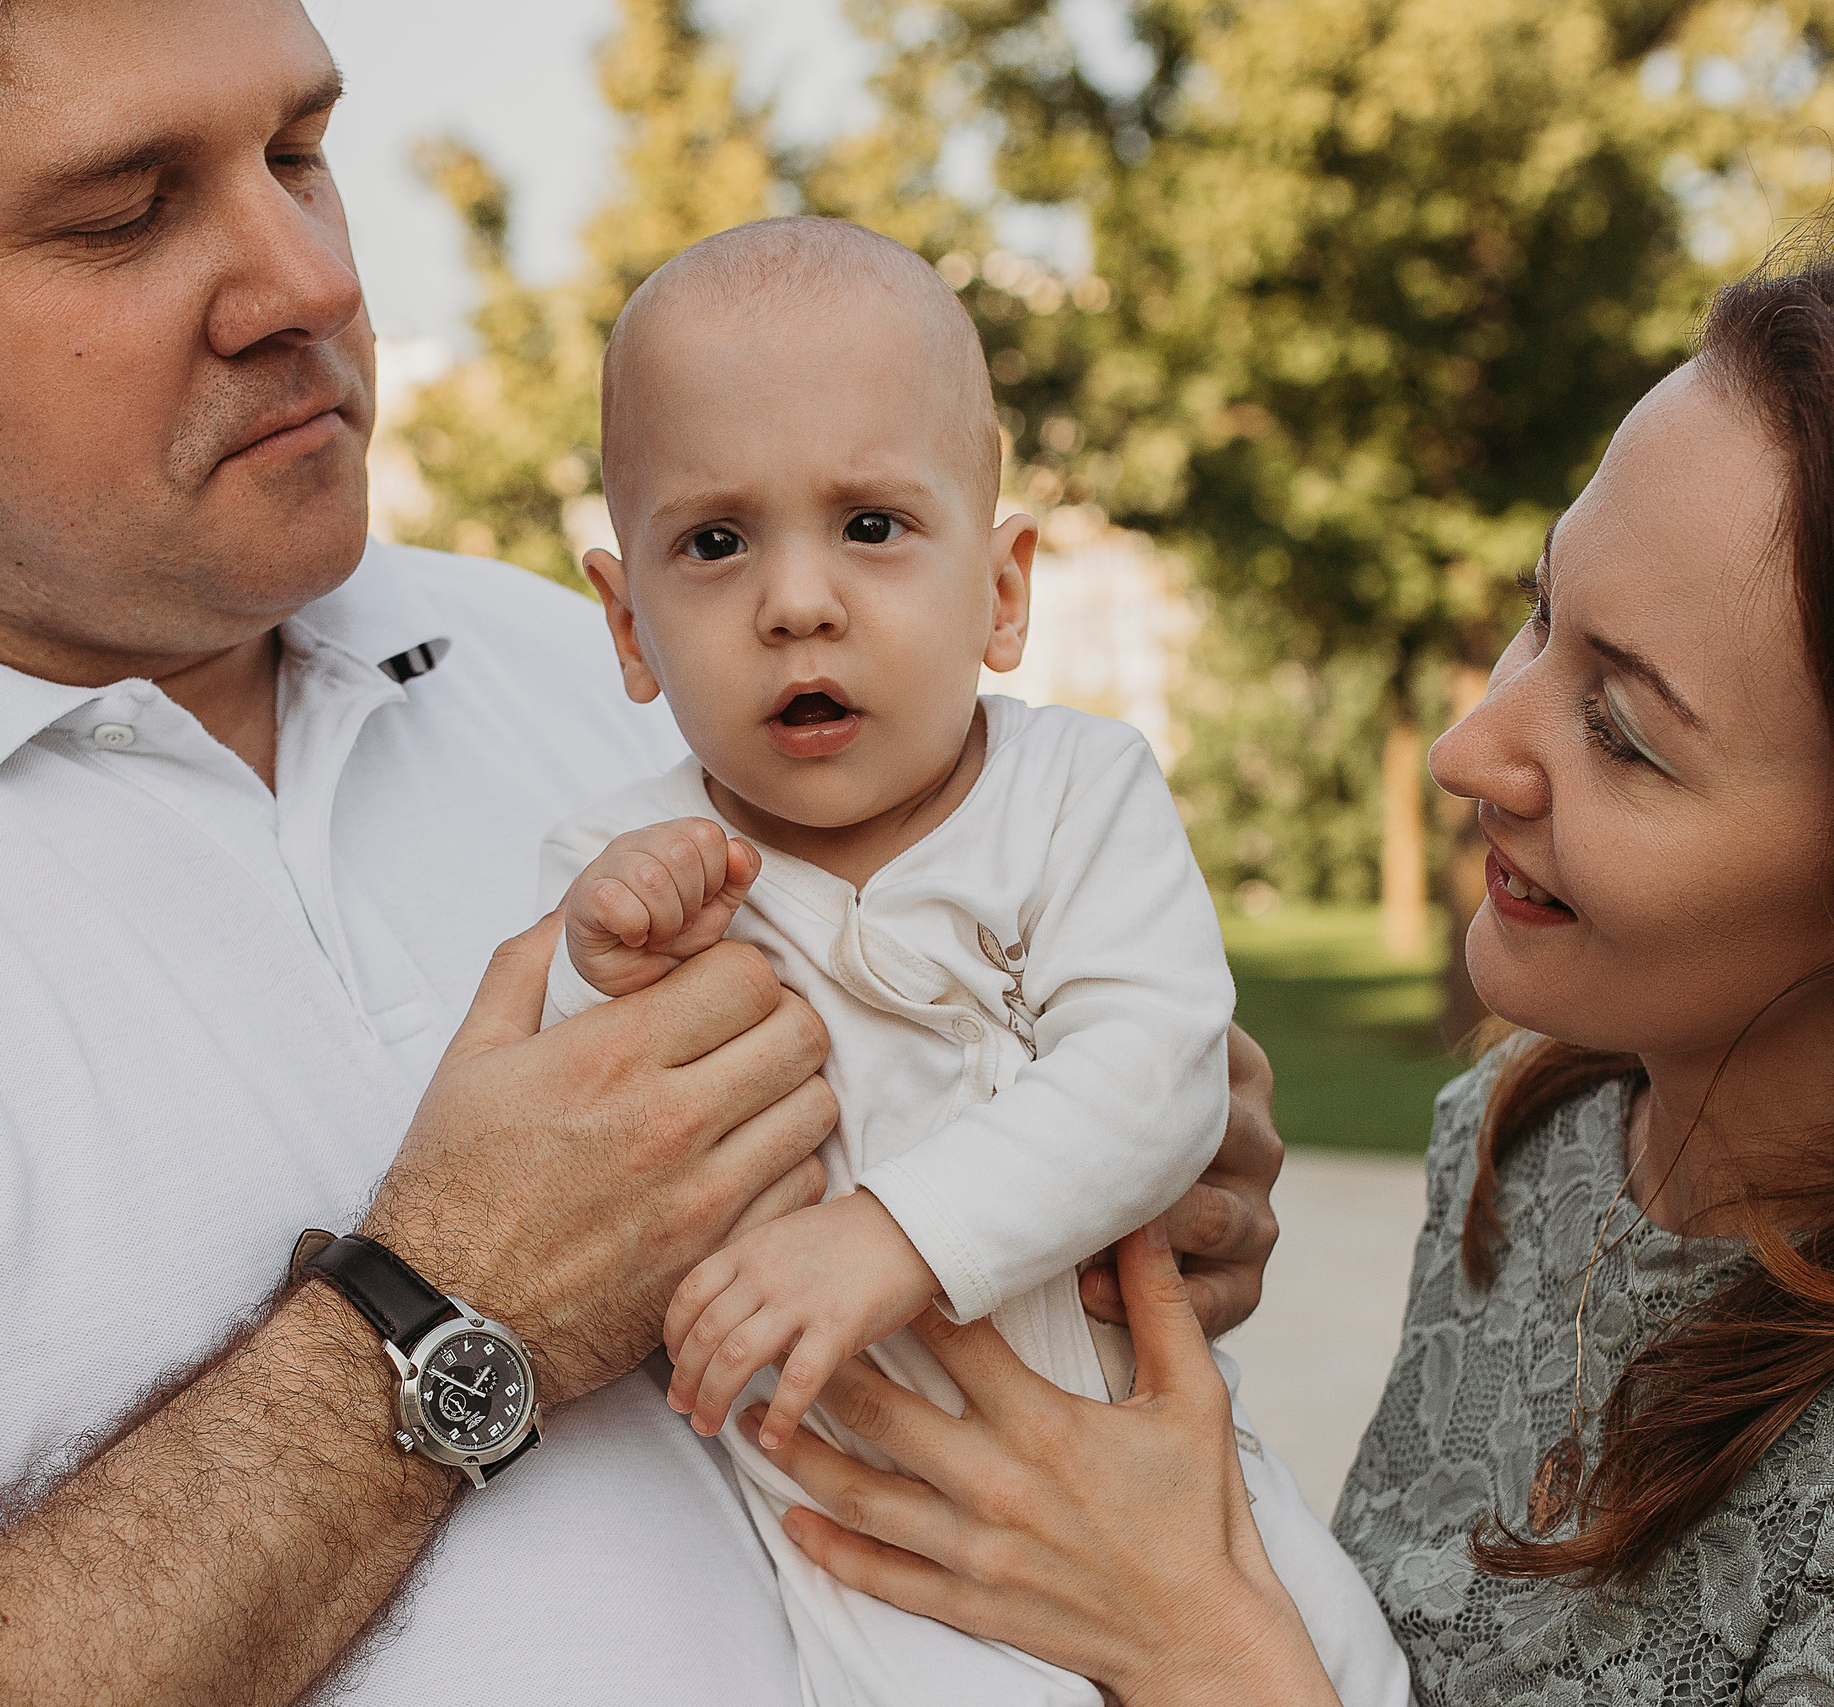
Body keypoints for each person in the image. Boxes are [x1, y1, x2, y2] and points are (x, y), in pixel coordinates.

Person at [0, 4, 1290, 1705]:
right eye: (123, 213)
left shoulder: (617, 680)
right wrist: (432, 1334)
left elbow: (1053, 1134)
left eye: (302, 152)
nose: (309, 279)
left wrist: (1099, 1176)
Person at [743, 238, 1834, 1705]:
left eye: (1620, 729)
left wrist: (1195, 1646)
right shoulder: (1526, 1133)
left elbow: (1231, 1639)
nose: (1466, 751)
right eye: (1541, 612)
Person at [536, 217, 1406, 1707]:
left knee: (1342, 1661)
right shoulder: (624, 868)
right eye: (715, 541)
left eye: (871, 526)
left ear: (1002, 592)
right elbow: (574, 1159)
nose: (796, 599)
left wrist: (892, 1234)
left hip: (1159, 1463)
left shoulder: (1078, 796)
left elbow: (1155, 1073)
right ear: (630, 625)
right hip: (873, 1530)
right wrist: (597, 970)